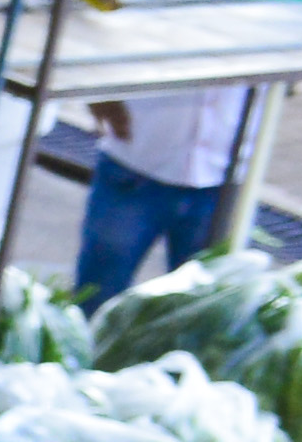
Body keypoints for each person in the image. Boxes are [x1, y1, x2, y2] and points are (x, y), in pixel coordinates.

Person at [75, 82, 269, 302]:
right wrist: (96, 90)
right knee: (97, 294)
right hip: (136, 162)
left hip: (224, 175)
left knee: (205, 307)